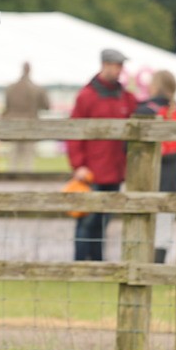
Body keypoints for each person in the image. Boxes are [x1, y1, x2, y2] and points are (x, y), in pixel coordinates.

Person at [67, 49, 139, 261]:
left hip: (114, 170)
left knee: (103, 221)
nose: (120, 70)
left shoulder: (125, 97)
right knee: (86, 220)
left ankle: (98, 263)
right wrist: (78, 165)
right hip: (91, 171)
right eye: (117, 66)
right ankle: (80, 264)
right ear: (105, 65)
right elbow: (74, 133)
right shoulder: (87, 96)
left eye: (121, 66)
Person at [135, 70, 176, 263]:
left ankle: (141, 260)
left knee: (141, 219)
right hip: (174, 176)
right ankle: (158, 263)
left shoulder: (144, 111)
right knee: (165, 223)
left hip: (146, 175)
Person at [3, 62, 50, 173]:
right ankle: (27, 186)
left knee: (13, 159)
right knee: (28, 161)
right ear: (30, 70)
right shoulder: (37, 89)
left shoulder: (10, 88)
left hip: (13, 126)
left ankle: (10, 183)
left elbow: (7, 107)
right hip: (30, 126)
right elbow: (46, 106)